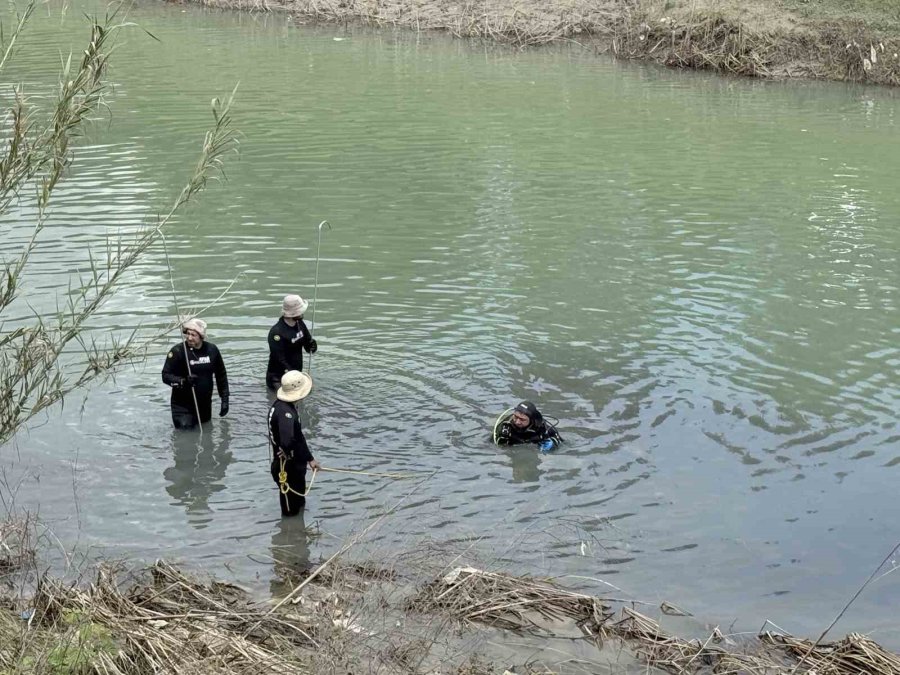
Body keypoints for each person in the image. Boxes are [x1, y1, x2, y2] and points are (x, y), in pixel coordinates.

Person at [268, 370, 321, 516]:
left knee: (299, 503)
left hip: (295, 467)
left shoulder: (284, 406)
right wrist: (286, 450)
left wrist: (309, 458)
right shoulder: (286, 413)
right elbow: (287, 440)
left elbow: (298, 437)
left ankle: (300, 532)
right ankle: (290, 535)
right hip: (287, 469)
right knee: (290, 512)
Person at [161, 318, 229, 429]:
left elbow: (221, 375)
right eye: (187, 334)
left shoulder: (212, 350)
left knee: (207, 437)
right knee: (186, 436)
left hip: (204, 405)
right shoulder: (178, 351)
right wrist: (182, 381)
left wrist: (225, 399)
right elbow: (165, 376)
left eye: (193, 335)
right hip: (182, 407)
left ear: (201, 336)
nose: (189, 338)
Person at [266, 294, 318, 390]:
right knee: (284, 402)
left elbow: (307, 344)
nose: (302, 313)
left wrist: (312, 346)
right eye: (300, 311)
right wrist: (293, 376)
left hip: (296, 375)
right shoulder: (276, 333)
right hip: (278, 378)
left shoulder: (300, 324)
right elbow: (280, 359)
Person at [493, 400, 562, 453]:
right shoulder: (505, 426)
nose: (517, 422)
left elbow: (562, 444)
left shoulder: (542, 428)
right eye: (516, 417)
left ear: (531, 420)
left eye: (522, 419)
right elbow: (492, 444)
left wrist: (553, 446)